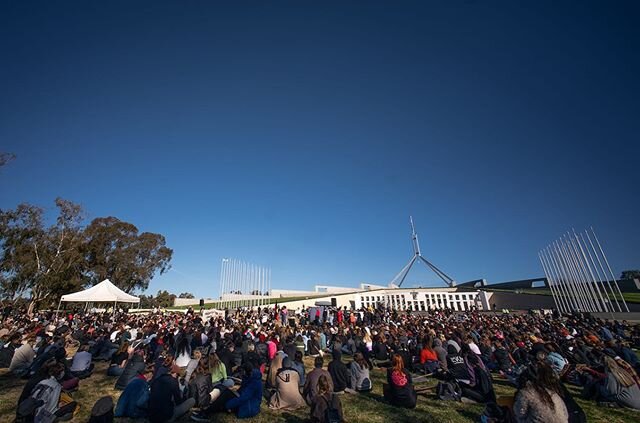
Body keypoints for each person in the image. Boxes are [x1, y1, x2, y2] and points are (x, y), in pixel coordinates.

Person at [191, 362, 262, 421]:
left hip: (249, 407)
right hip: (244, 401)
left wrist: (229, 404)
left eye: (242, 371)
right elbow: (242, 392)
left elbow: (244, 398)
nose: (241, 374)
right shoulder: (249, 377)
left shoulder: (254, 383)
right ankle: (206, 411)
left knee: (225, 397)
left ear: (246, 371)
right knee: (225, 393)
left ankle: (205, 413)